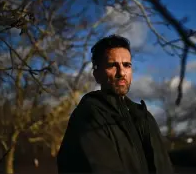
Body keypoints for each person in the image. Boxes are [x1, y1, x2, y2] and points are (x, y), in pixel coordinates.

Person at [57, 35, 174, 174]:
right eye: (112, 65)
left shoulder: (144, 117)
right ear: (97, 74)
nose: (121, 72)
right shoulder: (89, 116)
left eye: (127, 65)